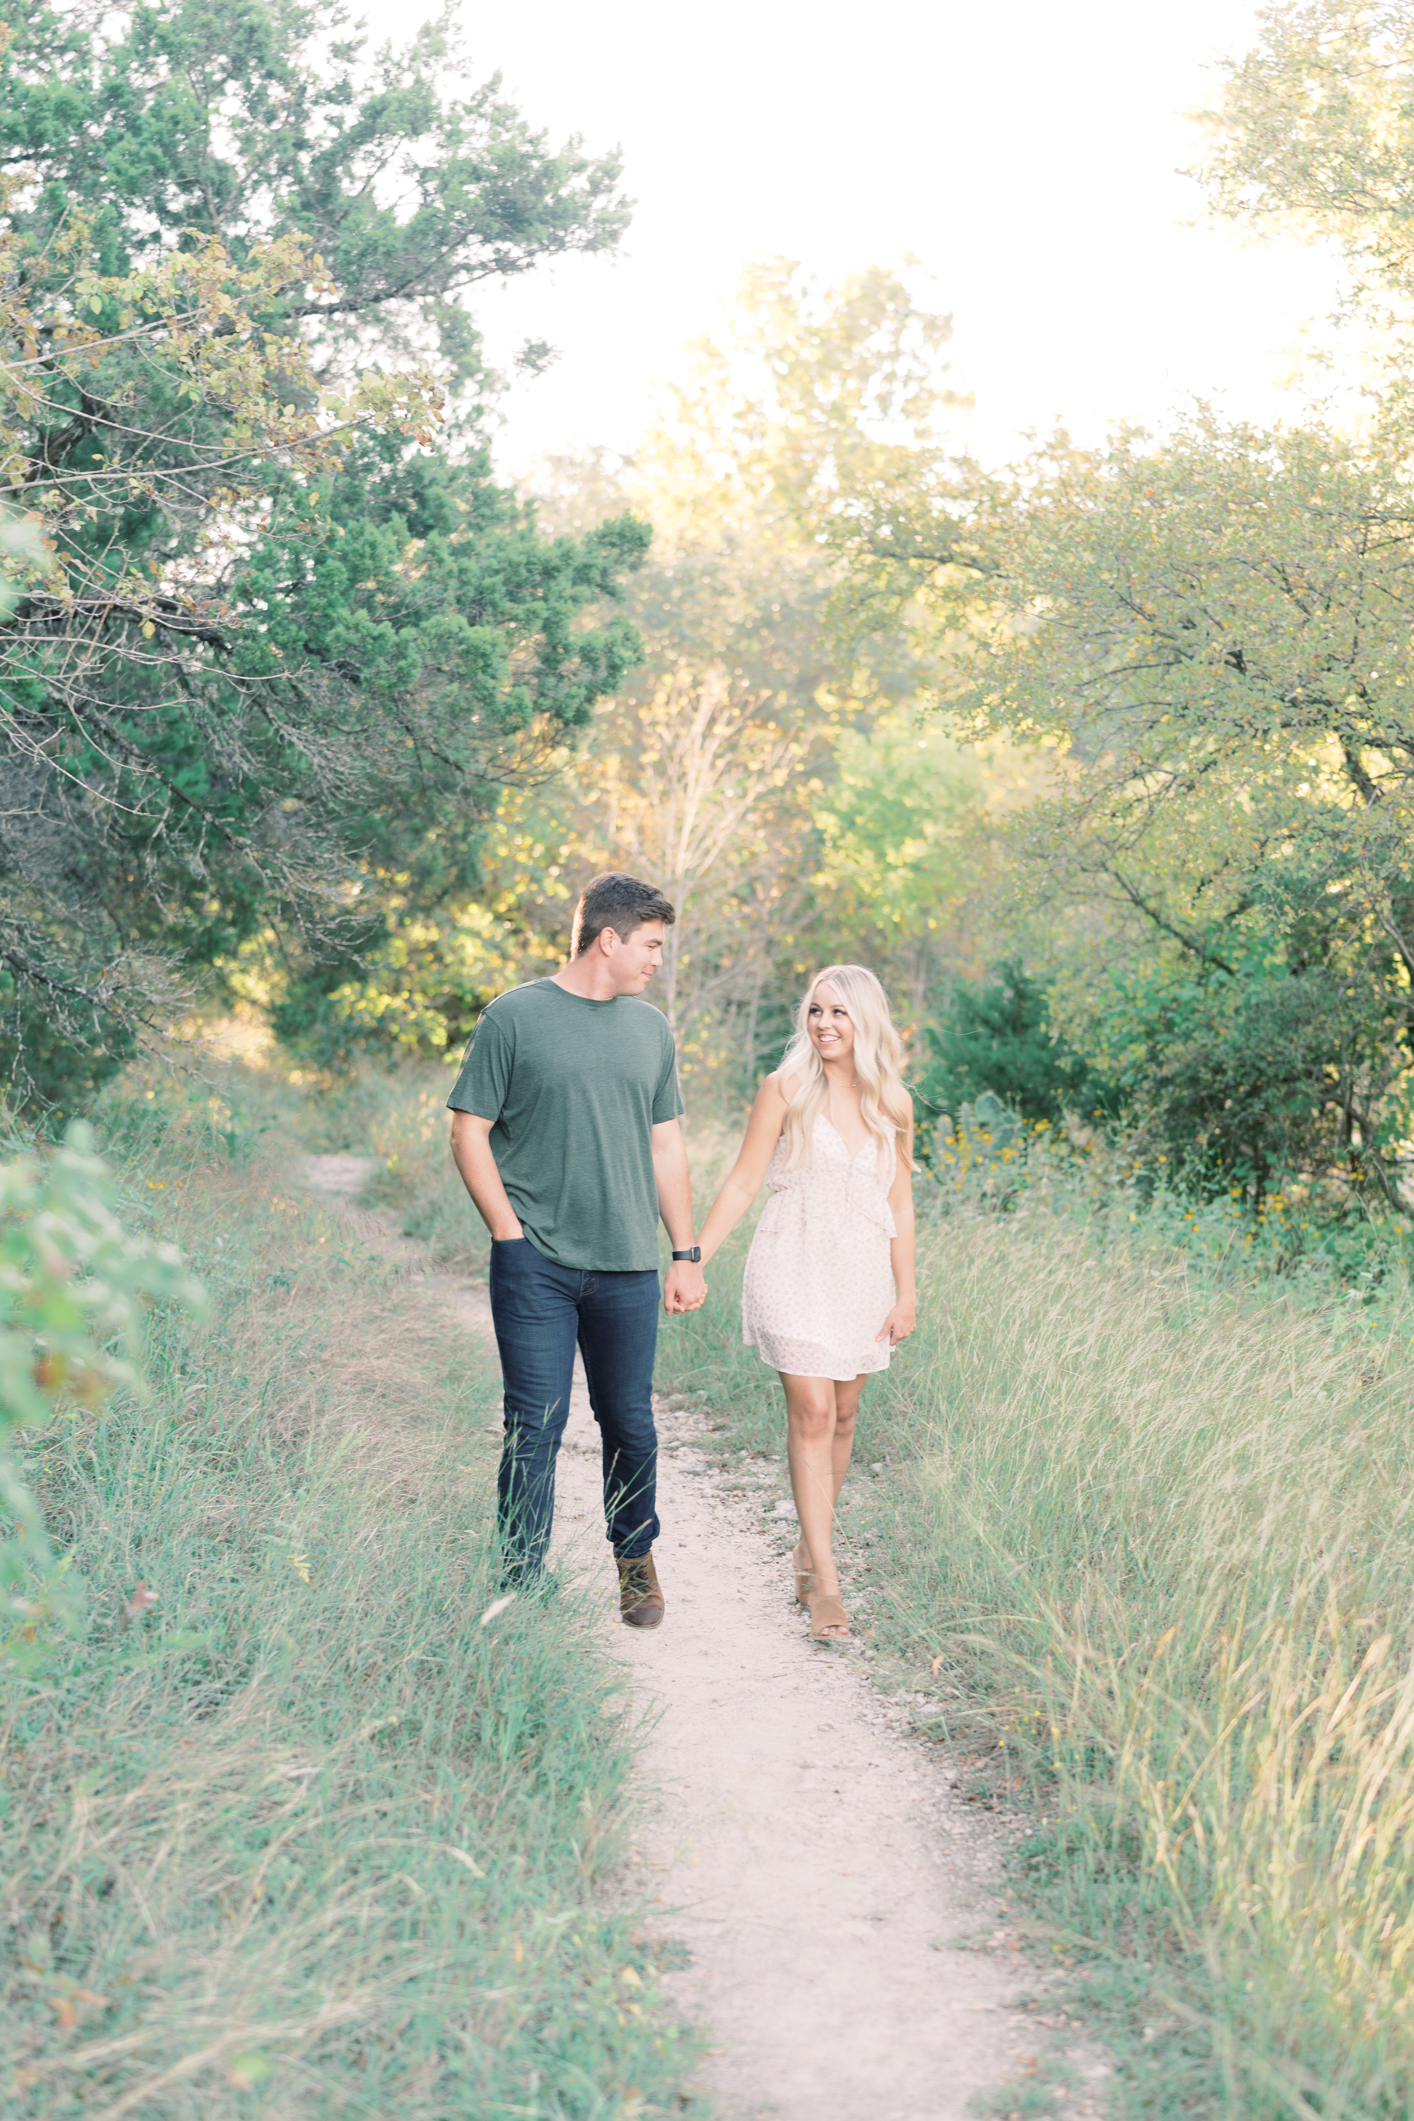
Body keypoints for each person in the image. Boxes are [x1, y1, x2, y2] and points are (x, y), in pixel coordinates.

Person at [447, 872, 707, 1626]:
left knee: (631, 1421)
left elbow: (666, 1145)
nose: (657, 960)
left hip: (627, 1263)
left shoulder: (650, 1029)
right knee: (535, 1426)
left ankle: (634, 1559)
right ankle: (521, 1579)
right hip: (537, 1266)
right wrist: (507, 1232)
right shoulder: (514, 1017)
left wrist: (684, 1252)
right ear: (608, 939)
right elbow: (469, 1130)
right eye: (651, 945)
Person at [695, 965, 916, 1641]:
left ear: (866, 1021)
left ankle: (808, 1543)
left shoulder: (893, 1103)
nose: (823, 1024)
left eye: (839, 1013)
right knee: (813, 1409)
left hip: (860, 1270)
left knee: (845, 1414)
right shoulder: (785, 1087)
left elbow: (900, 1202)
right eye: (815, 1011)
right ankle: (827, 1581)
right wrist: (692, 1257)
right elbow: (741, 1181)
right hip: (790, 1259)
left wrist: (907, 1290)